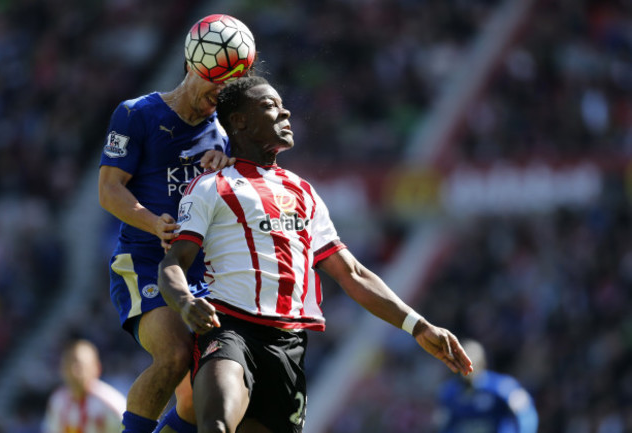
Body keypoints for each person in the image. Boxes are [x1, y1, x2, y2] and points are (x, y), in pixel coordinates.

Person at [157, 76, 474, 433]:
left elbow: (352, 273)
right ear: (240, 121)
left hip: (289, 345)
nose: (285, 111)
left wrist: (418, 326)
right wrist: (185, 302)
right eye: (269, 106)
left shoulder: (303, 191)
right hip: (230, 330)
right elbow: (173, 262)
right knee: (216, 424)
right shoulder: (211, 186)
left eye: (282, 104)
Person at [97, 16, 247, 433]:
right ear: (193, 65)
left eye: (228, 91)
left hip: (202, 274)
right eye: (215, 85)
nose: (219, 97)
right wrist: (154, 224)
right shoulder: (136, 115)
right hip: (144, 262)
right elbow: (109, 191)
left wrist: (231, 169)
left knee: (202, 393)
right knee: (176, 354)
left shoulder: (225, 138)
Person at [436, 339, 538, 433]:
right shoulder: (450, 392)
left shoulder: (502, 386)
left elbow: (525, 413)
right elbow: (445, 425)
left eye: (469, 362)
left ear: (482, 363)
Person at [42, 339, 126, 433]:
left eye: (79, 365)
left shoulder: (111, 404)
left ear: (97, 368)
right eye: (68, 364)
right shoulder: (57, 400)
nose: (73, 371)